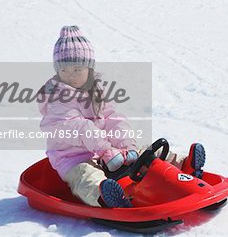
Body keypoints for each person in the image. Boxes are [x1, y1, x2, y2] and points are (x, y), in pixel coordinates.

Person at [38, 25, 206, 208]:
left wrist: (126, 147)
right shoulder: (57, 97)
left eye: (77, 69)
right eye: (65, 71)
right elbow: (79, 128)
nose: (71, 76)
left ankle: (185, 165)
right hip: (72, 157)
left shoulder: (97, 90)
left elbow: (113, 119)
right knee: (85, 177)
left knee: (146, 154)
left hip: (107, 153)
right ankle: (104, 197)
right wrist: (105, 150)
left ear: (89, 68)